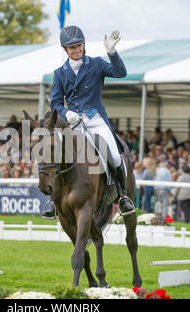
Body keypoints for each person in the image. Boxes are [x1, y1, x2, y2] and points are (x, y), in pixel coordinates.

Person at [41, 25, 134, 219]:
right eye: (72, 47)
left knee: (115, 157)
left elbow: (120, 73)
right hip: (73, 123)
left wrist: (112, 52)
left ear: (83, 45)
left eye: (79, 45)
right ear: (65, 50)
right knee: (57, 157)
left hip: (96, 119)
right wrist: (66, 113)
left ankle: (123, 196)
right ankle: (53, 200)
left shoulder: (97, 63)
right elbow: (56, 103)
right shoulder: (59, 73)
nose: (77, 50)